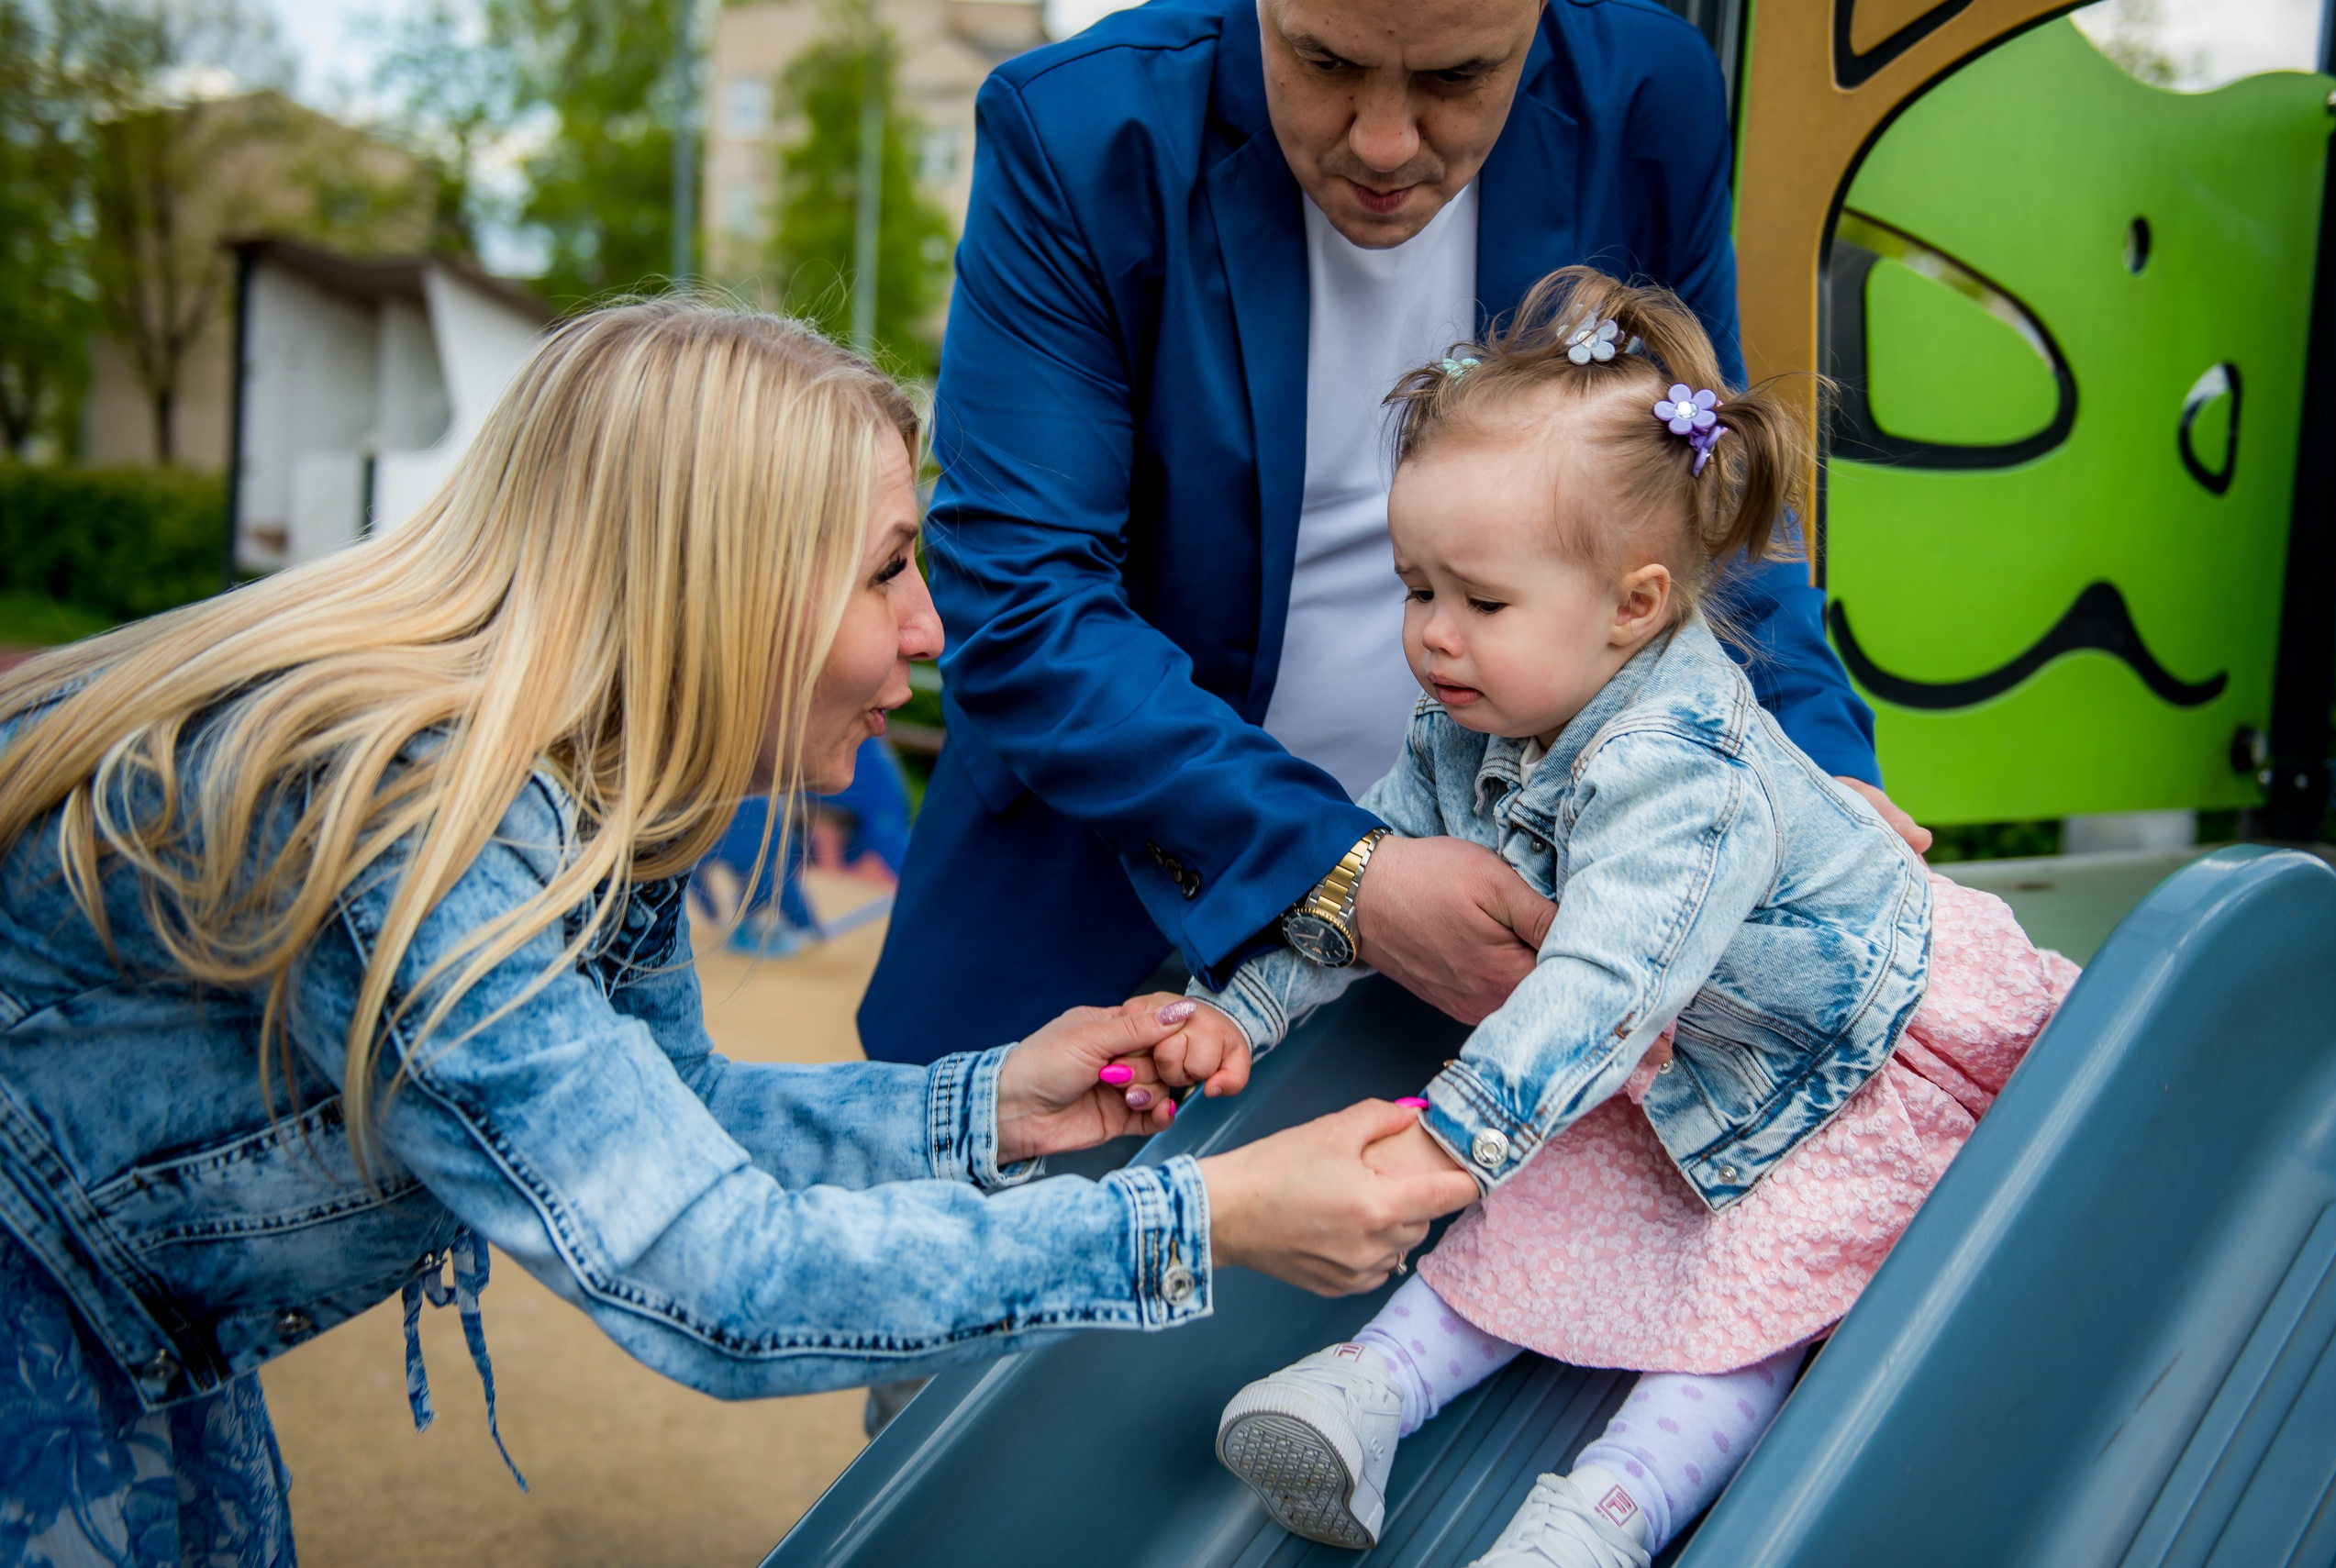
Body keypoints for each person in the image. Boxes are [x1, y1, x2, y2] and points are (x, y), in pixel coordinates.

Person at [0, 301, 1476, 1562]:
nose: (930, 631)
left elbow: (682, 1118)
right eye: (890, 566)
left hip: (136, 1348)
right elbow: (714, 1272)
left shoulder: (597, 807)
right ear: (724, 576)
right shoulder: (411, 820)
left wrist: (986, 1109)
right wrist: (1204, 1216)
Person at [1151, 270, 2076, 1564]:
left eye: (1481, 601)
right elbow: (1361, 883)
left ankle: (1603, 1516)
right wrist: (1233, 1013)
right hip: (1670, 1067)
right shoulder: (1469, 728)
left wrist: (1451, 1144)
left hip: (1847, 1069)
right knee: (1535, 1217)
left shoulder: (1684, 770)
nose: (1433, 637)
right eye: (1418, 589)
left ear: (1635, 605)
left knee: (1761, 1303)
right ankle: (1361, 1390)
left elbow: (1603, 980)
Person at [860, 0, 1929, 1068]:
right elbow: (1019, 595)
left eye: (1457, 78)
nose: (1381, 140)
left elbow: (1695, 490)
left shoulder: (1646, 95)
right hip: (1090, 922)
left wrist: (1817, 774)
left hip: (1512, 935)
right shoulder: (1084, 131)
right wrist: (1345, 869)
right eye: (1322, 60)